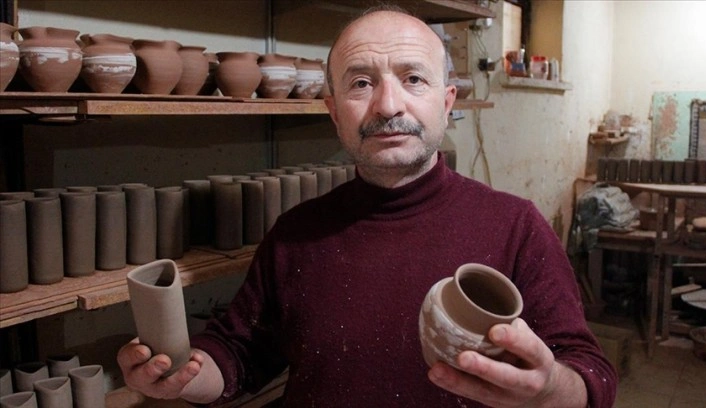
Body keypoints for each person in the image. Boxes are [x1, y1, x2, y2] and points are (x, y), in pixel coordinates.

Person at [117, 6, 617, 407]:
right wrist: (182, 376)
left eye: (413, 79)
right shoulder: (296, 233)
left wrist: (548, 390)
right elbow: (238, 357)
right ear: (334, 112)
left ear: (446, 103)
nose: (388, 105)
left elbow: (590, 377)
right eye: (360, 83)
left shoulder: (516, 227)